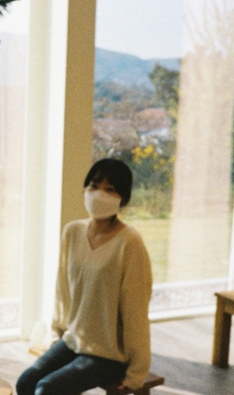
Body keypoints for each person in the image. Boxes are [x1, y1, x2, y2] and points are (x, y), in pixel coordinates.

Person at [16, 158, 153, 395]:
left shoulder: (130, 243)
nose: (99, 193)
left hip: (110, 354)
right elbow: (63, 293)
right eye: (94, 185)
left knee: (46, 390)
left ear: (123, 198)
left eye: (110, 189)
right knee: (25, 383)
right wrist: (57, 335)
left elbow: (136, 312)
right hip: (74, 341)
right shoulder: (73, 232)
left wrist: (137, 372)